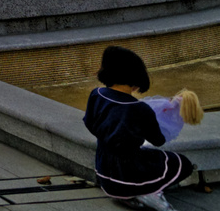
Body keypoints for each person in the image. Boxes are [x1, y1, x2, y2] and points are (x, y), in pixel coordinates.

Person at [83, 45, 195, 210]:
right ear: (136, 78)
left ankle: (129, 196)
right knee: (181, 164)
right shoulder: (139, 109)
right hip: (128, 174)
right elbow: (158, 140)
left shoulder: (96, 94)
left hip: (104, 173)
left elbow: (89, 123)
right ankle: (150, 193)